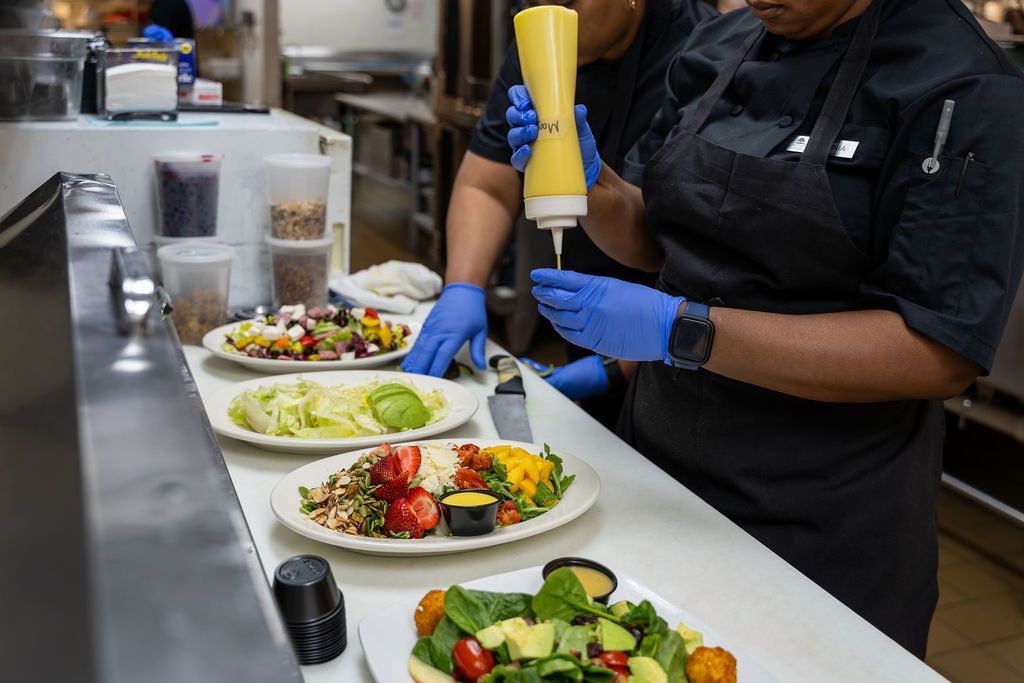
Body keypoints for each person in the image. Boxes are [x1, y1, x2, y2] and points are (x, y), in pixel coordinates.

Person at [507, 0, 1024, 657]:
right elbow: (659, 238)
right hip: (657, 476)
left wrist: (684, 330)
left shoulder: (960, 87)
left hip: (817, 520)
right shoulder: (719, 44)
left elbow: (932, 348)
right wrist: (597, 188)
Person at [401, 0, 717, 423]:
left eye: (567, 2)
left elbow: (675, 246)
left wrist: (617, 367)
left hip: (686, 350)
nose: (547, 11)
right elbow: (487, 184)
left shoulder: (705, 53)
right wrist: (464, 286)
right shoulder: (539, 36)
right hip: (586, 322)